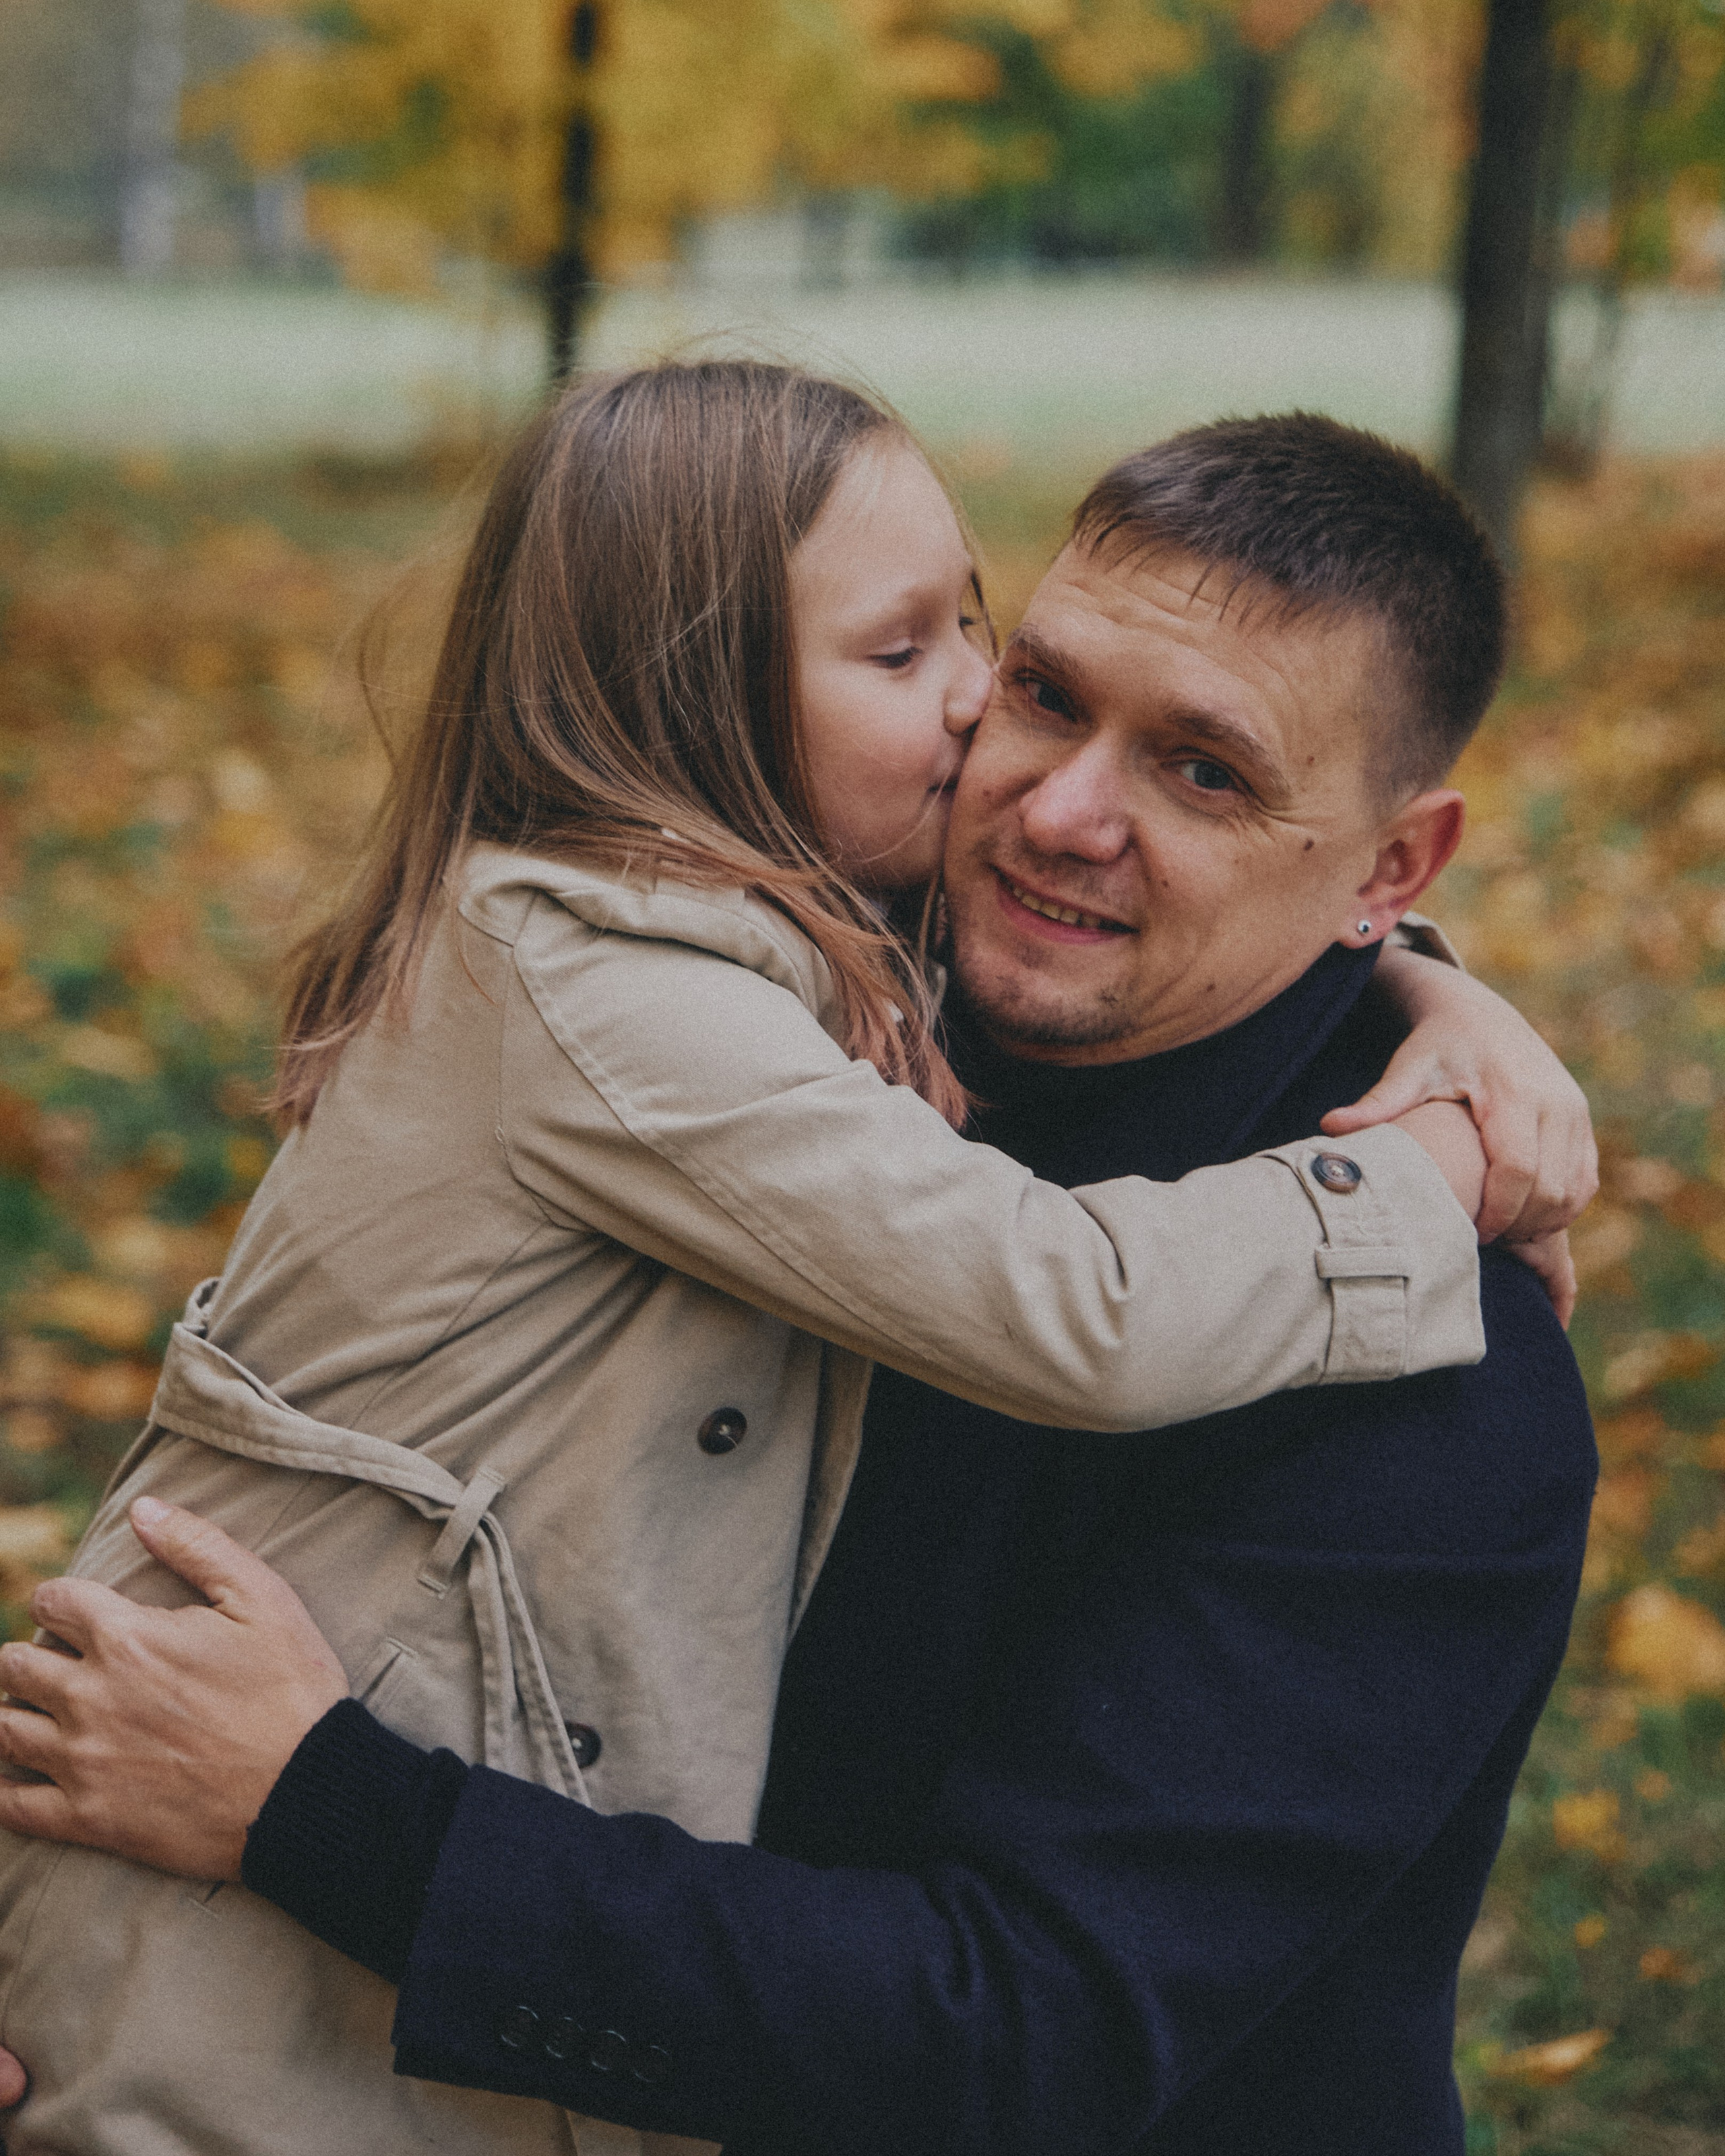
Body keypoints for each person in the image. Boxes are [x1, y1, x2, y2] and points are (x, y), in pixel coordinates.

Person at [0, 401, 1592, 2156]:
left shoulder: (1432, 1390)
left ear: (1388, 866)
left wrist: (322, 1807)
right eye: (1045, 692)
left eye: (1204, 771)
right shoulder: (787, 1027)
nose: (1056, 808)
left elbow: (1010, 2038)